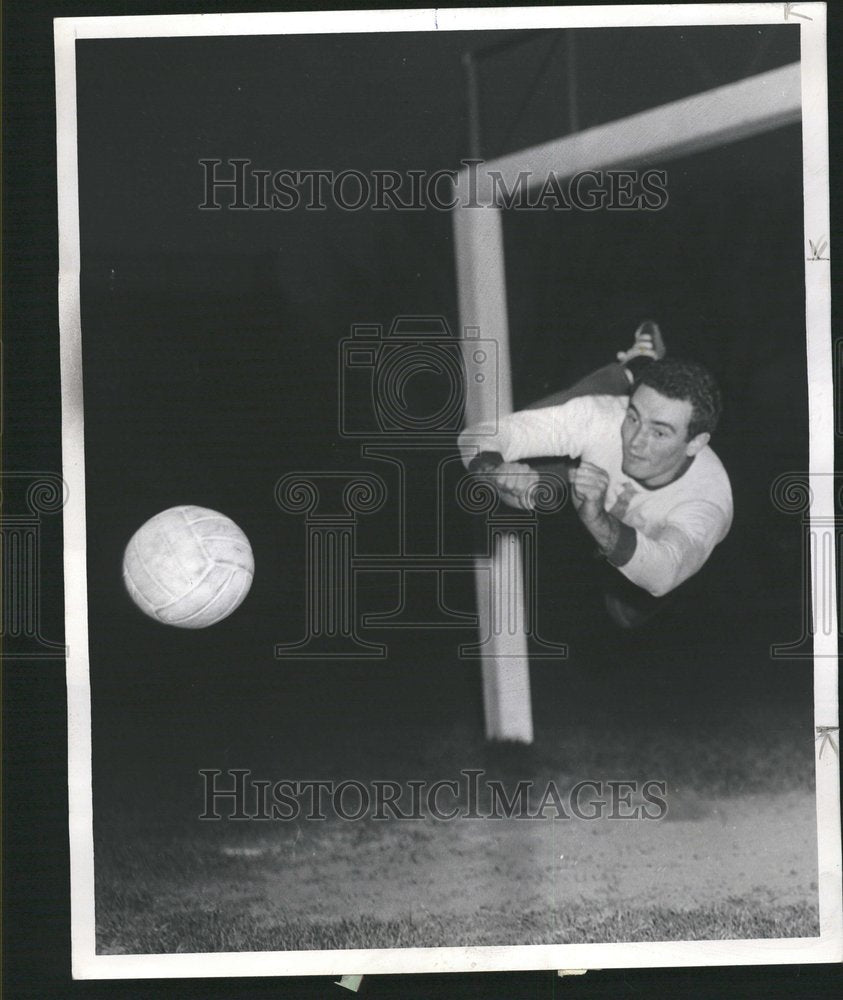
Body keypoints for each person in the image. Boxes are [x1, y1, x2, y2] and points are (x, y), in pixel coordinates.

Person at [458, 322, 733, 628]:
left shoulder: (708, 500)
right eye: (634, 418)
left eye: (659, 432)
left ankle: (637, 369)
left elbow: (663, 574)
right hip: (579, 483)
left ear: (695, 443)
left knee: (627, 608)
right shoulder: (604, 418)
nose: (636, 442)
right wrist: (497, 472)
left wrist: (596, 519)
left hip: (630, 553)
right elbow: (478, 436)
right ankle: (635, 369)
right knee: (527, 474)